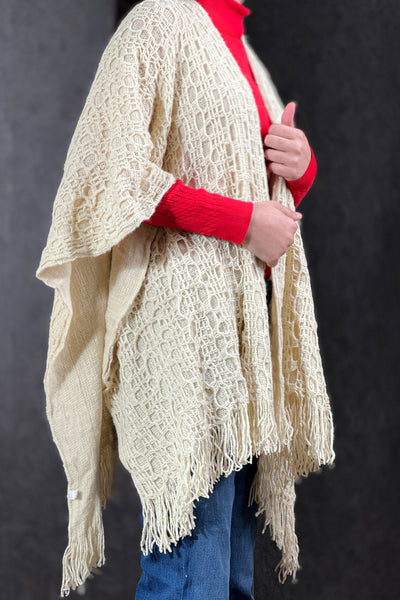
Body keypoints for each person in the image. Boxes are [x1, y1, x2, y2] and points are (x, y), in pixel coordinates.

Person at [35, 0, 335, 597]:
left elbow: (255, 181)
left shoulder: (240, 41)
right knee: (192, 571)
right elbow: (113, 173)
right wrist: (243, 222)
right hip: (181, 332)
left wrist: (300, 168)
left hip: (247, 341)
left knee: (231, 572)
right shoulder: (157, 21)